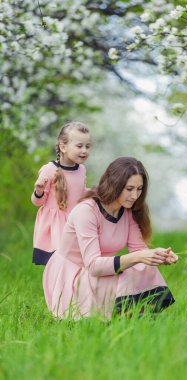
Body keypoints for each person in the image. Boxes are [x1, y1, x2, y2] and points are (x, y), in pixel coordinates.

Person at [43, 157, 178, 319]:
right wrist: (139, 257)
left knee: (146, 267)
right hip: (74, 273)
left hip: (100, 267)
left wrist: (158, 256)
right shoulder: (86, 211)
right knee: (127, 272)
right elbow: (93, 266)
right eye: (129, 189)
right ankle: (123, 316)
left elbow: (139, 250)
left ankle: (140, 316)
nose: (135, 195)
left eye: (139, 189)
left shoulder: (127, 211)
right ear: (114, 184)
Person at [31, 121, 91, 265]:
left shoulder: (81, 170)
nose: (84, 150)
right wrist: (38, 191)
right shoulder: (49, 170)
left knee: (76, 262)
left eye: (87, 146)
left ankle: (72, 287)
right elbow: (38, 202)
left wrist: (95, 193)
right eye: (79, 146)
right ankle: (55, 287)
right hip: (55, 226)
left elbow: (80, 195)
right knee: (59, 262)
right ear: (63, 147)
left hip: (74, 221)